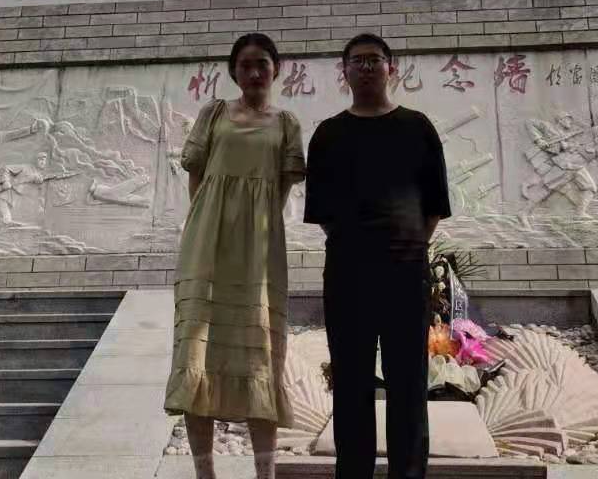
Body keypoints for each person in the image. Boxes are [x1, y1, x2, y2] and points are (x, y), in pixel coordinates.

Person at [304, 33, 452, 479]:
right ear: (344, 71)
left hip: (406, 275)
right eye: (357, 60)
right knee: (351, 385)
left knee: (408, 385)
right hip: (347, 277)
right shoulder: (328, 134)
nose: (366, 67)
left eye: (374, 59)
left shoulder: (417, 128)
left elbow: (433, 206)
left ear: (392, 68)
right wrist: (360, 247)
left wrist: (407, 247)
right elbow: (324, 213)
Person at [164, 32, 306, 479]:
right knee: (197, 352)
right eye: (245, 64)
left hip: (259, 247)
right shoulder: (214, 113)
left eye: (263, 63)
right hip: (207, 240)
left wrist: (253, 222)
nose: (255, 72)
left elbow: (282, 187)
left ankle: (265, 474)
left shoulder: (287, 123)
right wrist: (207, 220)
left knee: (260, 354)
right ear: (233, 71)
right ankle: (205, 473)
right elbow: (197, 175)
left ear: (276, 69)